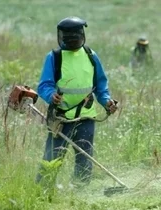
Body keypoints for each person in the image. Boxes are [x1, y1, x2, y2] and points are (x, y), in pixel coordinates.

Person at [36, 16, 118, 187]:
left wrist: (107, 102)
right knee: (53, 155)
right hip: (60, 117)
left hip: (86, 116)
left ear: (82, 35)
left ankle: (81, 190)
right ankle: (42, 190)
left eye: (76, 37)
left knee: (84, 155)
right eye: (69, 38)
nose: (73, 40)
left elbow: (100, 86)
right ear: (62, 37)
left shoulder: (91, 55)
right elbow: (44, 85)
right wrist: (51, 95)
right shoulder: (54, 57)